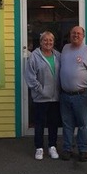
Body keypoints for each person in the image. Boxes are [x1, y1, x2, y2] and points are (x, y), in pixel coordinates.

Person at [59, 25, 87, 162]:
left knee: (82, 124)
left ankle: (83, 150)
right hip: (64, 94)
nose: (75, 35)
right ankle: (67, 149)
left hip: (81, 95)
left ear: (83, 36)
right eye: (73, 33)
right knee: (67, 124)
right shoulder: (65, 49)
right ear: (69, 35)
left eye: (78, 33)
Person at [23, 31, 61, 160]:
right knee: (39, 124)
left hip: (55, 97)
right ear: (40, 42)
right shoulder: (34, 56)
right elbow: (30, 77)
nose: (48, 42)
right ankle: (39, 148)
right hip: (41, 98)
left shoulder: (58, 55)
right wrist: (41, 90)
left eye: (51, 40)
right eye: (45, 40)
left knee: (53, 123)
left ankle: (52, 146)